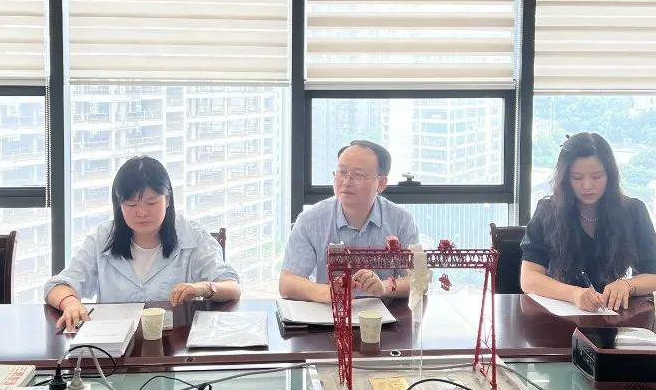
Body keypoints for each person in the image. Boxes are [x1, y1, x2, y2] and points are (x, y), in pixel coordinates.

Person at [44, 156, 240, 332]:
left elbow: (232, 287)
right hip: (114, 348)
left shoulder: (192, 235)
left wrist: (203, 288)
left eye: (151, 203)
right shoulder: (103, 238)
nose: (142, 212)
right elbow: (56, 286)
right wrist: (70, 303)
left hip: (176, 344)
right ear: (119, 205)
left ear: (167, 199)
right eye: (131, 204)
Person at [520, 132, 656, 311]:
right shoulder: (548, 212)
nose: (587, 186)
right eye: (577, 178)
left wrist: (627, 285)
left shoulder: (633, 211)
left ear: (610, 176)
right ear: (565, 179)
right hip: (560, 314)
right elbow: (529, 279)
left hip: (613, 316)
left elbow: (653, 278)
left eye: (597, 177)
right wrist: (574, 294)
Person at [279, 140, 419, 304]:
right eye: (341, 172)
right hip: (328, 313)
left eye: (358, 175)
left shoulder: (400, 221)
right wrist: (326, 292)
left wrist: (385, 287)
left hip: (385, 315)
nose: (346, 182)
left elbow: (420, 280)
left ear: (381, 183)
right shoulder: (310, 221)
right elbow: (287, 282)